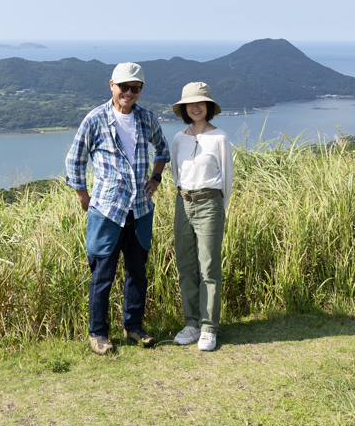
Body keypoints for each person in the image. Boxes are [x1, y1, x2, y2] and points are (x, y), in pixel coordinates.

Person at [65, 62, 170, 355]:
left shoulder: (146, 119)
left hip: (139, 209)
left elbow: (162, 149)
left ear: (141, 89)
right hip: (107, 211)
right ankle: (98, 333)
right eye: (123, 86)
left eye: (134, 88)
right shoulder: (95, 119)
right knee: (102, 274)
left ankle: (133, 326)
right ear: (111, 85)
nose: (128, 92)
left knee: (137, 272)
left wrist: (156, 177)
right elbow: (75, 160)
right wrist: (83, 196)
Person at [169, 81, 233, 352]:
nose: (195, 107)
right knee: (185, 266)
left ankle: (208, 327)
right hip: (183, 203)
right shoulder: (178, 138)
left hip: (209, 204)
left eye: (200, 103)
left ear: (208, 107)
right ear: (184, 108)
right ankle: (192, 323)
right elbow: (175, 173)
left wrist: (219, 208)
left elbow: (227, 179)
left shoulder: (219, 138)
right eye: (190, 104)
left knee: (208, 268)